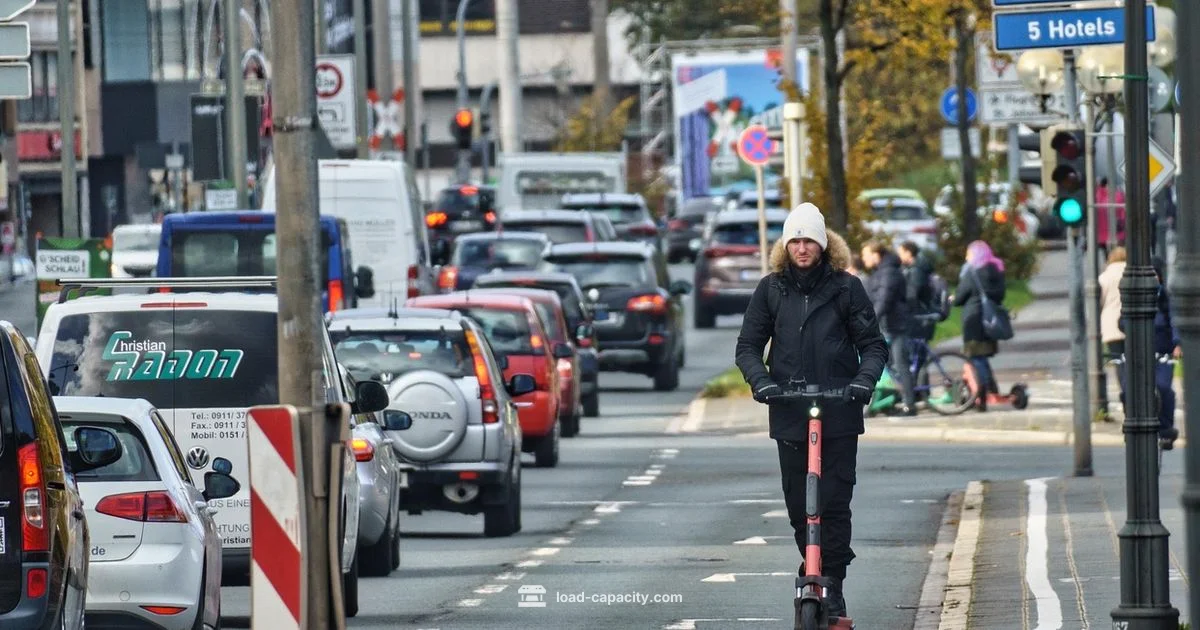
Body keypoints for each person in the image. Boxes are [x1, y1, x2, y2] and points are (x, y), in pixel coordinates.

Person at [735, 203, 889, 618]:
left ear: (822, 245)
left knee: (835, 500)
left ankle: (832, 582)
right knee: (798, 503)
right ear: (787, 245)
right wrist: (762, 382)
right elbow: (748, 346)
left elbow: (873, 346)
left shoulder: (846, 288)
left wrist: (862, 382)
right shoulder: (771, 290)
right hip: (789, 410)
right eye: (795, 240)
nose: (802, 248)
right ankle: (812, 565)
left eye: (809, 240)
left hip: (839, 409)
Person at [861, 241, 916, 415]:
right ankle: (890, 400)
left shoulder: (889, 273)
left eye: (866, 254)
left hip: (897, 325)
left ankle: (910, 405)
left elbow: (884, 300)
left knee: (900, 364)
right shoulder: (881, 272)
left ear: (876, 255)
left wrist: (871, 321)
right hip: (888, 325)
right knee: (888, 365)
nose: (863, 258)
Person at [954, 240, 1006, 411]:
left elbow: (960, 297)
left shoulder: (972, 272)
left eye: (968, 253)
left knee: (976, 358)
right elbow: (1000, 295)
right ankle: (992, 390)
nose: (966, 257)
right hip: (989, 320)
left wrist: (953, 299)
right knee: (982, 358)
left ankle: (981, 395)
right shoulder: (996, 270)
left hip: (974, 319)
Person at [898, 241, 937, 355]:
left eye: (901, 253)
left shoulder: (917, 271)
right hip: (921, 315)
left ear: (908, 253)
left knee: (915, 355)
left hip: (918, 317)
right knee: (918, 356)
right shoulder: (915, 268)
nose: (899, 256)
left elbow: (912, 294)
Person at [1099, 246, 1127, 406]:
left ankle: (1125, 392)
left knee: (1118, 361)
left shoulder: (1104, 278)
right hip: (1132, 322)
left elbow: (1099, 301)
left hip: (1111, 326)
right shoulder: (1132, 272)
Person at [1095, 177, 1127, 256]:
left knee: (1112, 255)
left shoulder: (1098, 196)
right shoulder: (1116, 195)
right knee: (1112, 255)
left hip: (1112, 233)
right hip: (1110, 233)